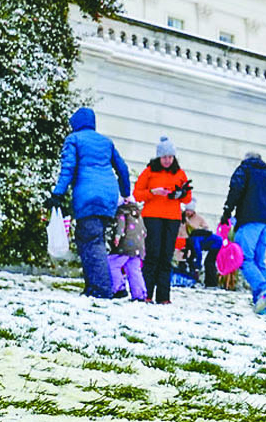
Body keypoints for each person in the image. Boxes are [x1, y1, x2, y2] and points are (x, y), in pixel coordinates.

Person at [48, 106, 132, 300]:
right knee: (92, 238)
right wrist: (125, 193)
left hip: (88, 196)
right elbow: (123, 169)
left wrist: (57, 194)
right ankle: (93, 286)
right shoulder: (106, 142)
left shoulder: (74, 139)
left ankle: (101, 289)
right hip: (108, 196)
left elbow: (68, 169)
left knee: (92, 242)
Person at [220, 151, 266, 315]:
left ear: (246, 160)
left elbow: (235, 189)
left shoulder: (245, 169)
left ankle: (265, 288)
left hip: (248, 222)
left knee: (244, 259)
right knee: (258, 262)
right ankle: (261, 305)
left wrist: (227, 212)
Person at [134, 136, 192, 305]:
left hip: (172, 218)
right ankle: (146, 293)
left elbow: (188, 198)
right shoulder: (150, 171)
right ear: (159, 157)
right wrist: (153, 192)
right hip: (152, 216)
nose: (167, 160)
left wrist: (180, 194)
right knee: (153, 254)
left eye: (170, 157)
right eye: (164, 157)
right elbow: (137, 193)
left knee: (166, 257)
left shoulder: (179, 173)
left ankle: (164, 296)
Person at [108, 198, 148, 301]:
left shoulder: (122, 211)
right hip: (138, 247)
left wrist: (117, 236)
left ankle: (118, 288)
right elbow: (144, 231)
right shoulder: (138, 214)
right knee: (134, 270)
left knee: (112, 264)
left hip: (125, 246)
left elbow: (120, 226)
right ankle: (139, 294)